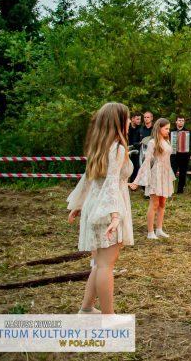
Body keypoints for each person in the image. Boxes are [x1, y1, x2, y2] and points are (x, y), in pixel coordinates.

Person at [66, 102, 134, 314]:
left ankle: (86, 308)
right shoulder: (117, 148)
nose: (130, 122)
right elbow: (111, 182)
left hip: (95, 205)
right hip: (107, 208)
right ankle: (108, 317)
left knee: (99, 263)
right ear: (119, 122)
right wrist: (115, 216)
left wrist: (79, 204)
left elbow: (89, 179)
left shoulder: (99, 146)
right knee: (106, 264)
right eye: (128, 118)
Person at [130, 118, 175, 240]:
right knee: (154, 203)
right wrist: (136, 181)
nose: (168, 131)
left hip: (166, 173)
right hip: (156, 174)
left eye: (168, 128)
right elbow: (146, 162)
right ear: (159, 128)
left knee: (162, 202)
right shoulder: (152, 142)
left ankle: (159, 229)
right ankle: (150, 232)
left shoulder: (167, 141)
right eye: (166, 128)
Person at [170, 115, 191, 194]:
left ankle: (180, 190)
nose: (181, 122)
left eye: (182, 120)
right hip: (174, 156)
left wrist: (187, 151)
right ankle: (170, 189)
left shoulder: (188, 132)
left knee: (183, 173)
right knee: (172, 172)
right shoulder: (171, 132)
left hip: (184, 156)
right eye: (179, 120)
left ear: (184, 122)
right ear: (176, 121)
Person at [128, 112, 142, 181]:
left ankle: (132, 184)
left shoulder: (140, 128)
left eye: (140, 119)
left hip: (136, 151)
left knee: (136, 167)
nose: (139, 121)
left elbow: (141, 140)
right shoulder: (127, 127)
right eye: (137, 119)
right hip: (126, 150)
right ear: (132, 119)